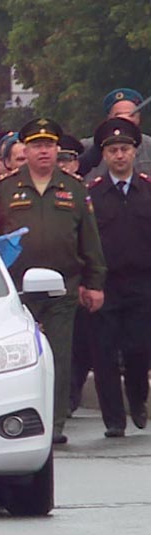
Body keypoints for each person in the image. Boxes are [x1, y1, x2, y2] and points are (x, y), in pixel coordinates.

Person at [0, 118, 106, 444]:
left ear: (56, 150)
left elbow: (89, 240)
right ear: (26, 149)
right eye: (36, 146)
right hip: (17, 292)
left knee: (59, 356)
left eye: (48, 146)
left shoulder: (74, 189)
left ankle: (54, 424)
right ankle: (13, 419)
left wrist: (94, 282)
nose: (43, 151)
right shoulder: (6, 190)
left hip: (62, 287)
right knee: (16, 357)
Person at [86, 118, 151, 437]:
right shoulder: (92, 195)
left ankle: (138, 400)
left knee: (140, 348)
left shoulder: (147, 190)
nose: (119, 155)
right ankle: (114, 419)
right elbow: (84, 241)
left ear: (134, 152)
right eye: (113, 150)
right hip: (105, 285)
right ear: (104, 155)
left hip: (142, 284)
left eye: (125, 149)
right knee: (105, 354)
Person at [79, 88, 151, 179]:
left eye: (131, 115)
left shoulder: (149, 146)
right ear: (109, 118)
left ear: (139, 118)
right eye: (119, 115)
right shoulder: (86, 147)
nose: (125, 120)